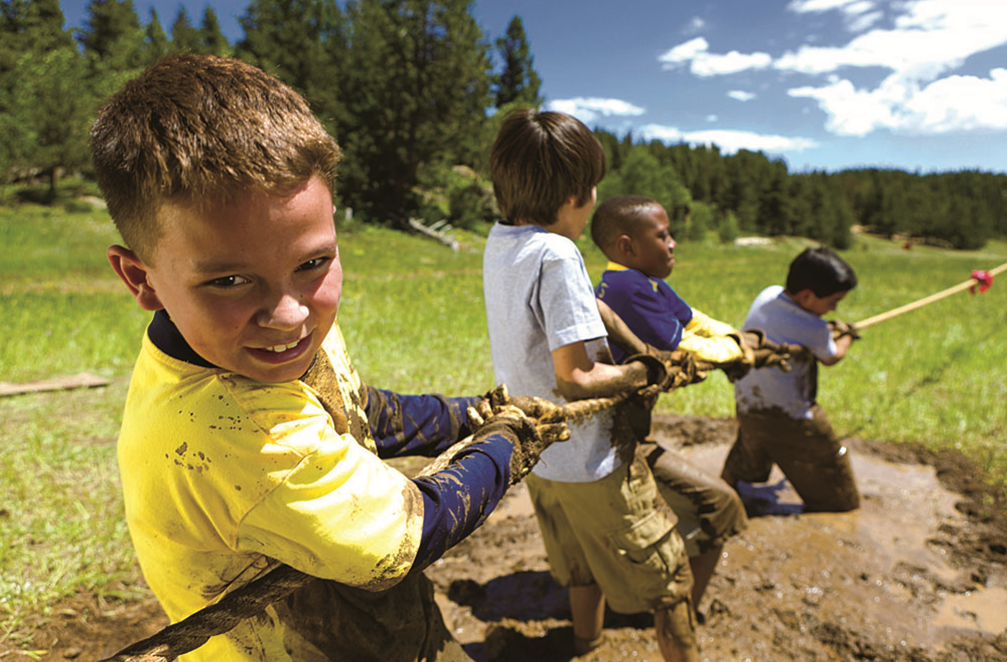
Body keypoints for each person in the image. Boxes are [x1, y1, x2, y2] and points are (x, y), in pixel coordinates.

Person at [91, 54, 568, 662]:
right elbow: (410, 531)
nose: (289, 314)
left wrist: (468, 413)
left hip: (373, 630)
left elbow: (358, 408)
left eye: (313, 263)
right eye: (231, 281)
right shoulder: (235, 433)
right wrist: (509, 440)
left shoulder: (266, 345)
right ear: (142, 279)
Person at [483, 109, 699, 661]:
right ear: (577, 193)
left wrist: (637, 344)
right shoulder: (558, 253)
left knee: (579, 562)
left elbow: (590, 309)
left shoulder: (504, 240)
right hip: (590, 458)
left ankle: (587, 645)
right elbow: (577, 379)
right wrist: (644, 372)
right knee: (670, 580)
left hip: (538, 452)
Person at [589, 195, 749, 618]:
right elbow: (680, 346)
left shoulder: (644, 281)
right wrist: (733, 352)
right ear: (628, 246)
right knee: (717, 504)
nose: (674, 243)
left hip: (627, 428)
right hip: (617, 434)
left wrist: (732, 336)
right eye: (663, 236)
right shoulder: (629, 288)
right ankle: (680, 610)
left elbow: (692, 318)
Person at [720, 247, 861, 512]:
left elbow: (789, 325)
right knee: (836, 480)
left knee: (750, 448)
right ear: (807, 296)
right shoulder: (815, 328)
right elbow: (831, 356)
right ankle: (834, 506)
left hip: (749, 403)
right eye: (833, 301)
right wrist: (847, 336)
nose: (834, 308)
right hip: (789, 414)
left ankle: (723, 489)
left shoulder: (768, 294)